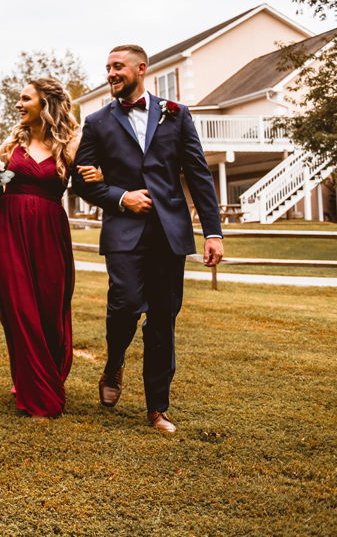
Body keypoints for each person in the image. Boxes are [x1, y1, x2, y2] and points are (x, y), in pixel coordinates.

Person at [72, 44, 224, 433]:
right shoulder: (97, 121)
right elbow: (81, 181)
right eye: (107, 67)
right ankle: (113, 364)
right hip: (123, 231)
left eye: (118, 66)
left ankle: (157, 408)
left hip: (169, 232)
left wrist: (213, 232)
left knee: (162, 320)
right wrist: (121, 197)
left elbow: (198, 174)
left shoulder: (177, 114)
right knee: (124, 304)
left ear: (142, 68)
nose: (110, 73)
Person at [0, 78, 84, 421]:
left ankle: (46, 376)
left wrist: (100, 176)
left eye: (25, 99)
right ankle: (36, 391)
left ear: (46, 103)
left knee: (50, 309)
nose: (18, 104)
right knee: (20, 310)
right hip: (8, 231)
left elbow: (91, 179)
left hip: (49, 232)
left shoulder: (71, 142)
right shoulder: (11, 143)